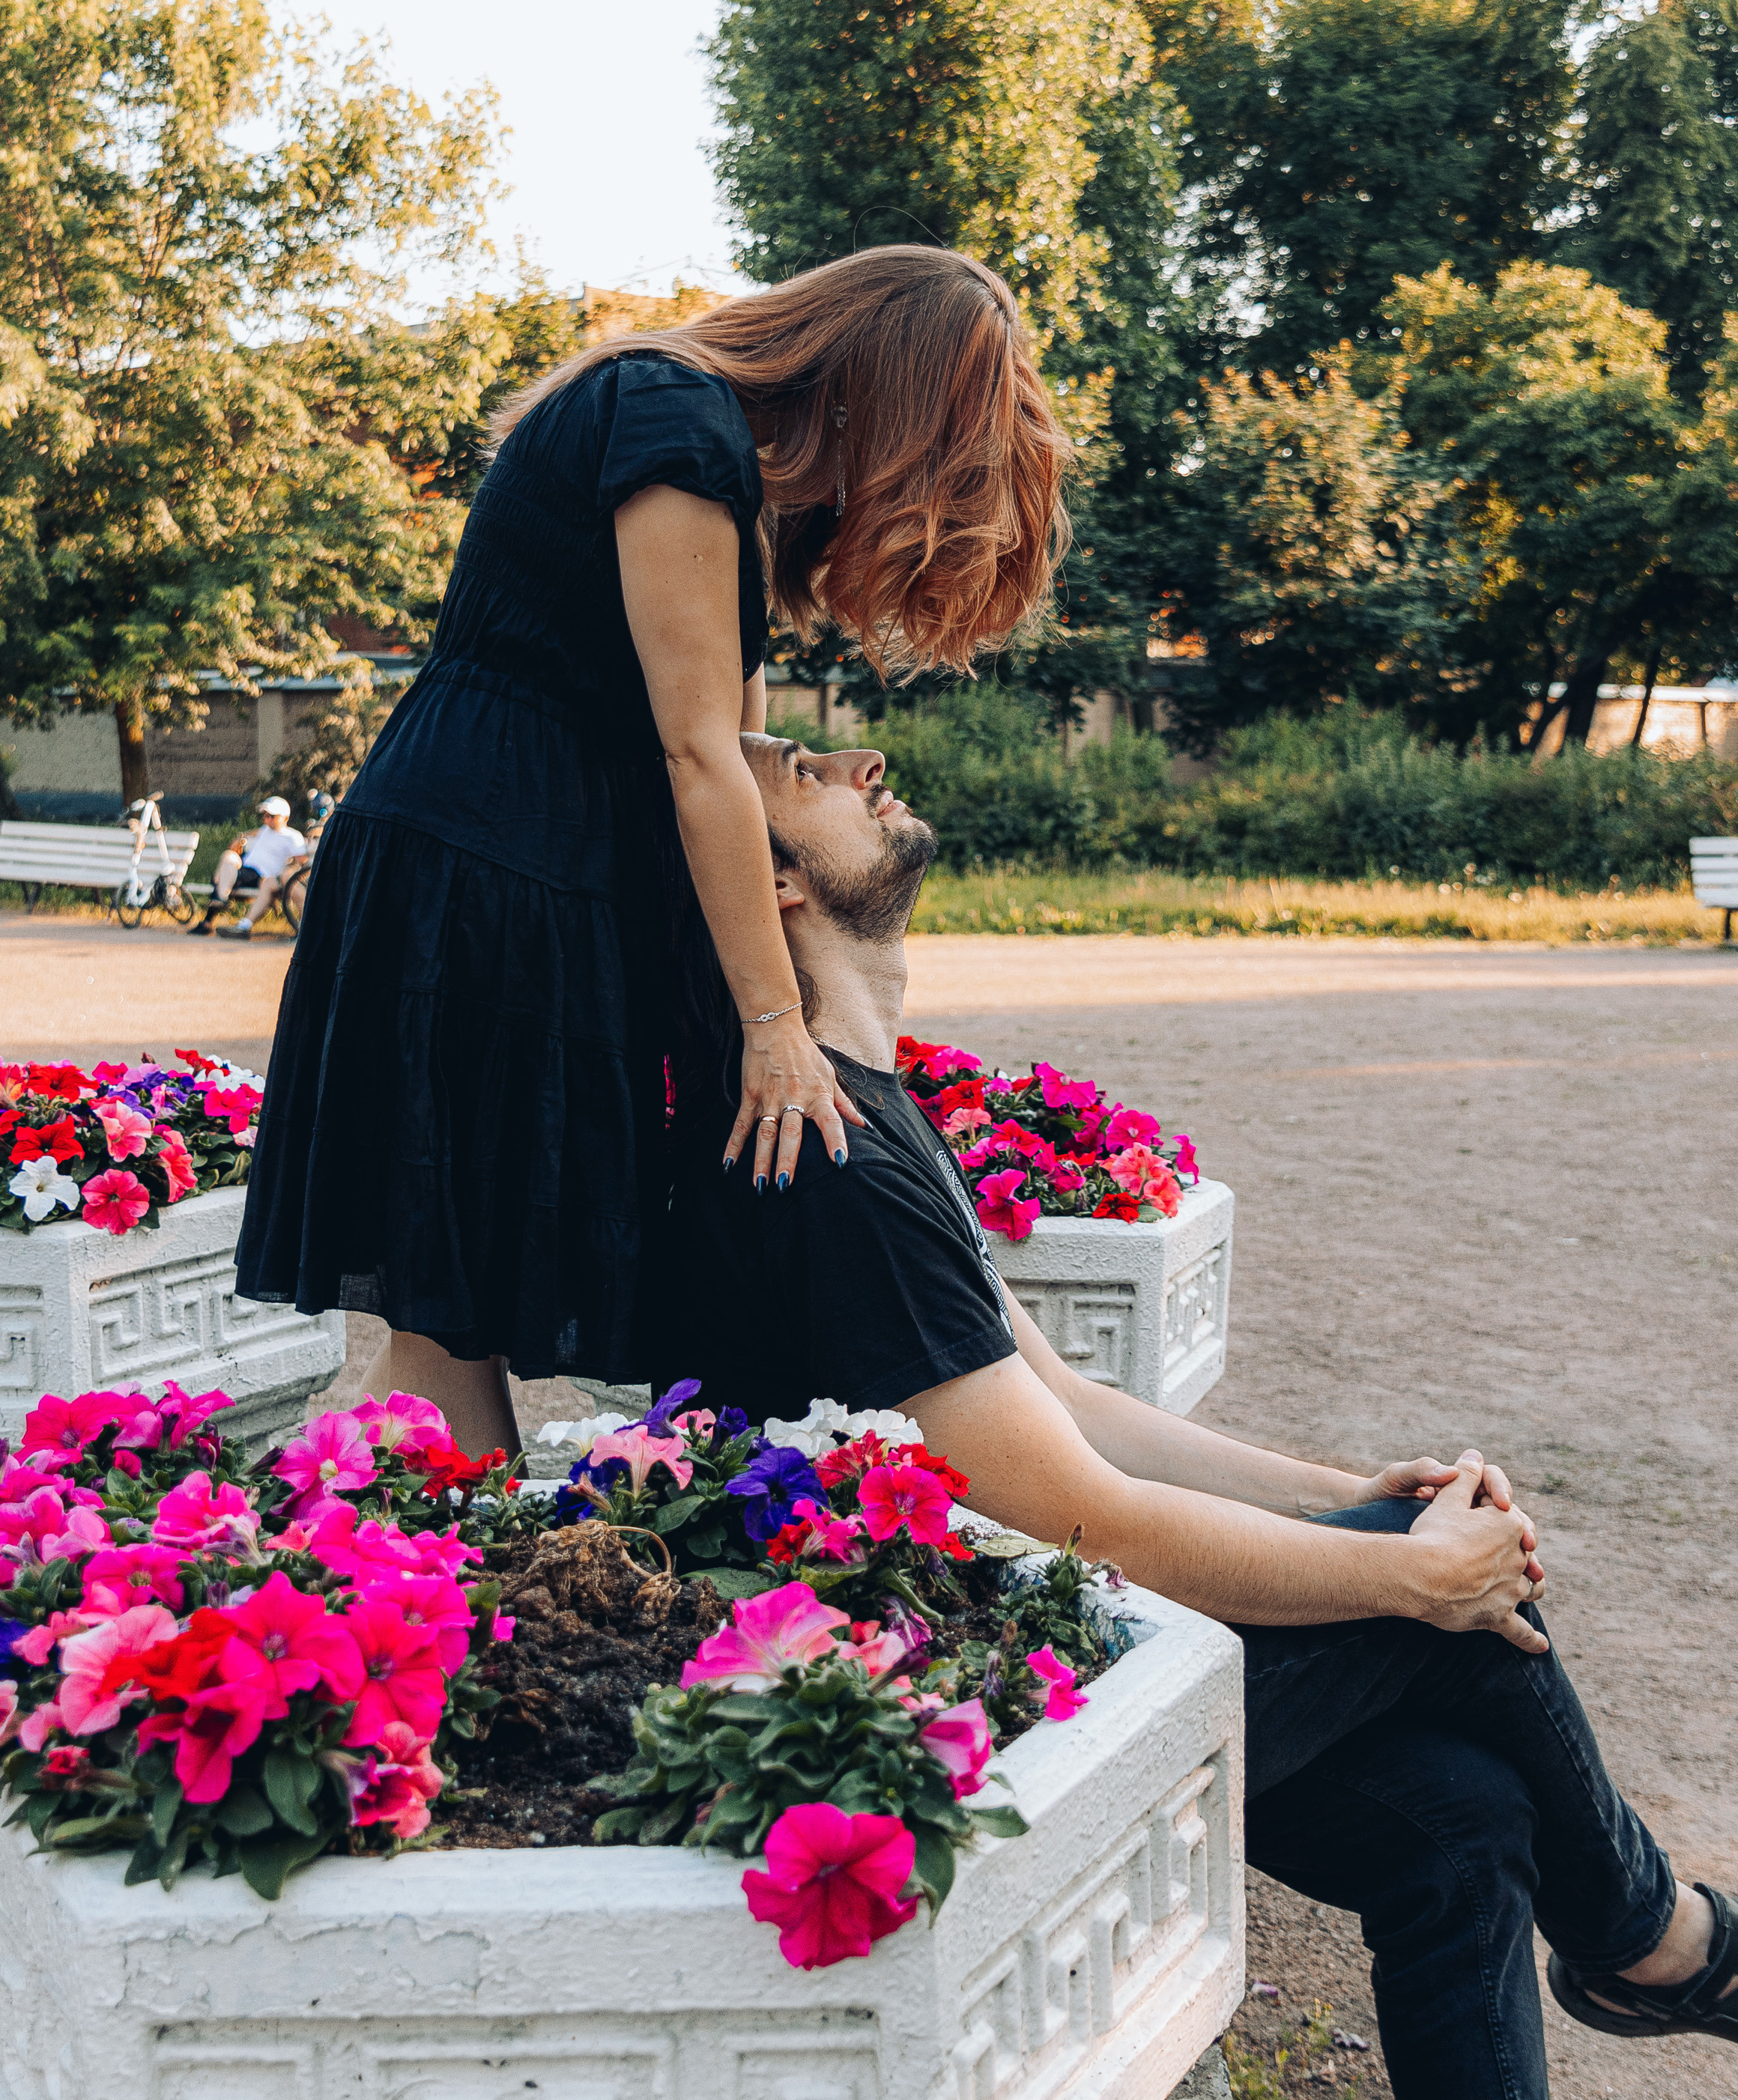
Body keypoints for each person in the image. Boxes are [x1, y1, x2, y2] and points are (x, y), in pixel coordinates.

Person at [646, 732, 1738, 2096]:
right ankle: (1657, 1944)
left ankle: (1652, 1943)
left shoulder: (864, 1104)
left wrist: (1344, 1490)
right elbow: (1084, 1517)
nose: (863, 759)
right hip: (971, 1701)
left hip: (994, 1632)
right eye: (809, 769)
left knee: (1465, 1819)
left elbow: (1066, 1403)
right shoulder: (838, 1166)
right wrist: (1410, 1572)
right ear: (779, 885)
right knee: (1466, 1617)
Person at [233, 247, 1072, 1458]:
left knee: (452, 1316)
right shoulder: (674, 415)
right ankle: (373, 1561)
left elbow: (741, 761)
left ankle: (376, 1554)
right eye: (932, 449)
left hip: (522, 865)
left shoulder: (715, 463)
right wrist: (773, 1028)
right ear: (879, 393)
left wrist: (774, 1015)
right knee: (445, 1320)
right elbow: (699, 756)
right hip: (483, 867)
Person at [192, 797, 309, 938]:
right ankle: (220, 900)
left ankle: (210, 918)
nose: (267, 820)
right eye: (265, 816)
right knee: (229, 856)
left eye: (272, 817)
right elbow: (252, 833)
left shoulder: (292, 836)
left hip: (261, 876)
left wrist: (287, 872)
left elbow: (302, 862)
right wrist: (241, 838)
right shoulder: (265, 830)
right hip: (244, 870)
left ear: (285, 818)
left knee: (221, 878)